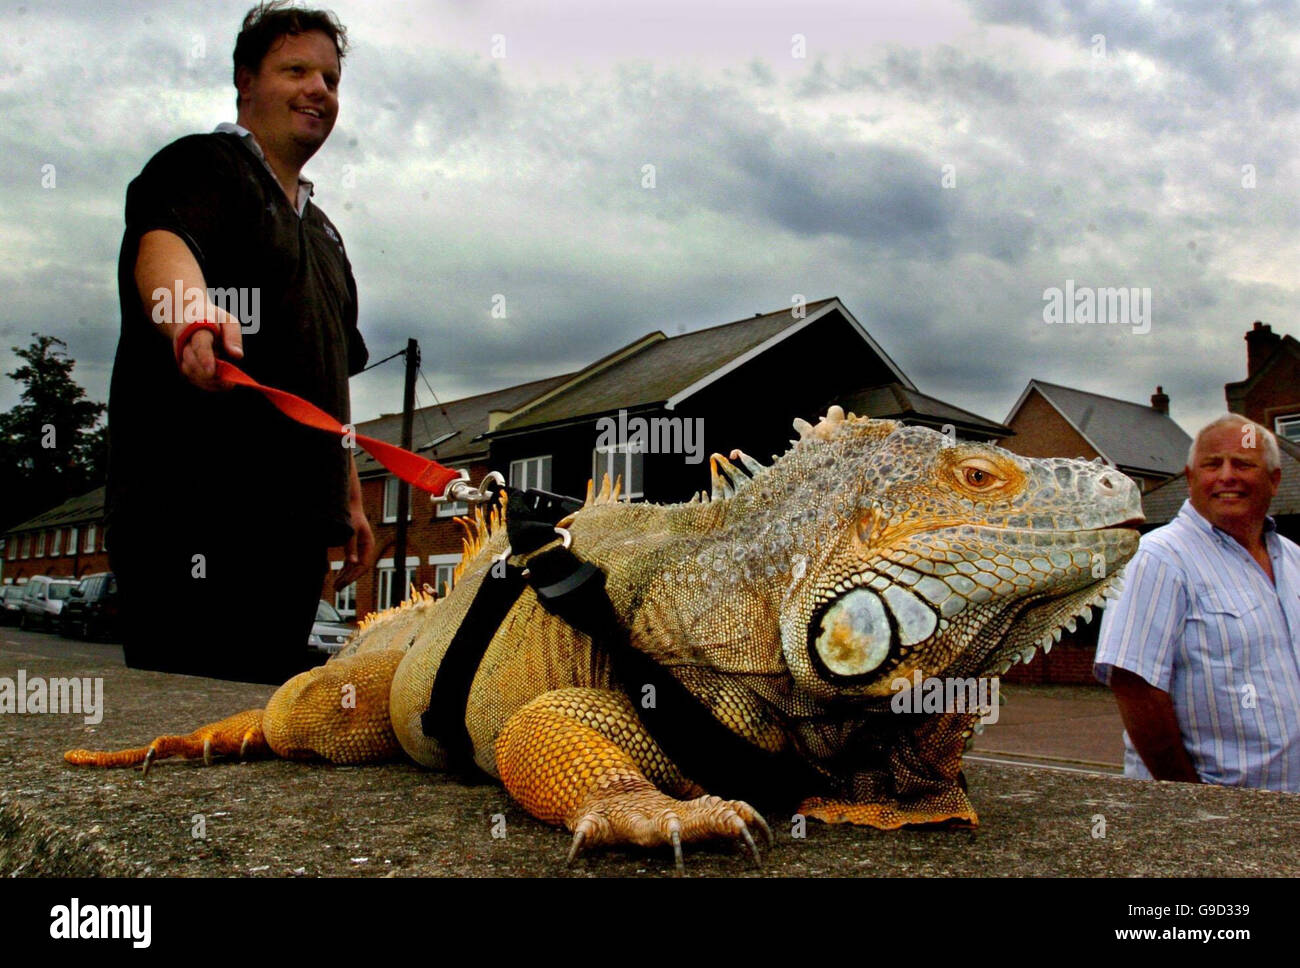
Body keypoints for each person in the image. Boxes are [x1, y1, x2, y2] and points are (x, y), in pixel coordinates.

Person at [106, 2, 373, 684]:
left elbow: (332, 377)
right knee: (181, 721)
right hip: (191, 514)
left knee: (257, 727)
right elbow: (163, 245)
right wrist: (189, 316)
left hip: (292, 534)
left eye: (331, 78)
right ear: (246, 82)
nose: (319, 89)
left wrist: (349, 496)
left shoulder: (328, 237)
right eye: (297, 70)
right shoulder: (203, 165)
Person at [1094, 413, 1300, 790]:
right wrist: (1192, 800)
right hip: (1215, 816)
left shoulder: (1294, 559)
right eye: (1211, 465)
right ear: (1190, 479)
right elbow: (1134, 684)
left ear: (1274, 480)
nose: (1226, 476)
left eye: (1242, 464)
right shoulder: (1158, 559)